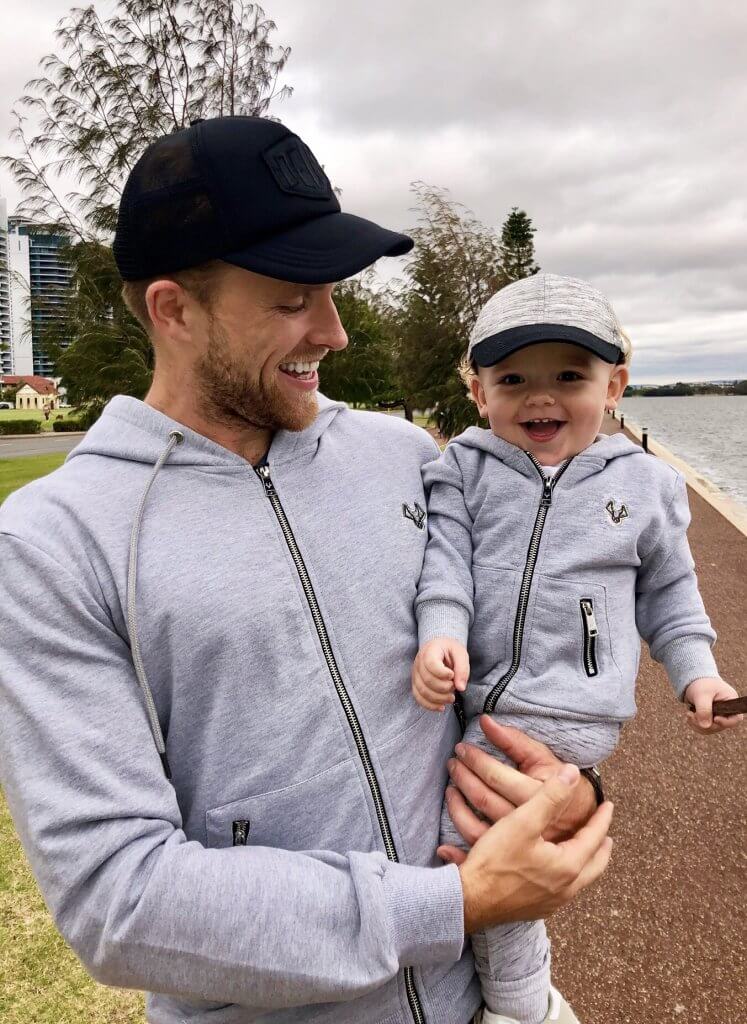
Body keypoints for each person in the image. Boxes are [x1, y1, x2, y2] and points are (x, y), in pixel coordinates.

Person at [0, 118, 612, 1024]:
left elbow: (525, 644)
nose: (333, 332)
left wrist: (562, 781)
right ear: (173, 310)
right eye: (293, 299)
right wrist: (454, 904)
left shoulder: (406, 454)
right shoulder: (53, 542)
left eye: (329, 293)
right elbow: (117, 901)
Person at [412, 273, 744, 1024]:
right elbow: (442, 565)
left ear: (614, 384)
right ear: (477, 392)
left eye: (569, 376)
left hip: (564, 708)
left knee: (471, 862)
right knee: (466, 860)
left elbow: (671, 593)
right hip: (478, 701)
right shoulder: (462, 470)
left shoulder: (648, 485)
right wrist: (440, 631)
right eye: (512, 379)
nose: (540, 398)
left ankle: (518, 1008)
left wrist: (697, 675)